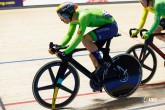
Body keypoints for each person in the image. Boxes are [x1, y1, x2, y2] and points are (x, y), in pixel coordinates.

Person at [49, 2, 118, 86]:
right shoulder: (74, 19)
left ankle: (102, 64)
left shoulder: (83, 16)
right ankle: (100, 76)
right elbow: (69, 36)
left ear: (68, 14)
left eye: (62, 16)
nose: (61, 19)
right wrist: (59, 46)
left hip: (111, 26)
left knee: (85, 39)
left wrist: (65, 52)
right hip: (105, 26)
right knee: (92, 54)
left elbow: (78, 38)